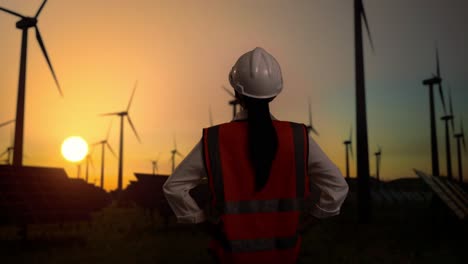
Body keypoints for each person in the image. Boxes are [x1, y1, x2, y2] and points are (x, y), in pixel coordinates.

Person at [163, 47, 349, 264]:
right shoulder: (298, 138)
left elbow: (173, 187)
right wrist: (307, 224)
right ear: (275, 93)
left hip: (231, 256)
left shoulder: (215, 140)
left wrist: (207, 226)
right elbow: (338, 188)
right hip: (284, 256)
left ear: (237, 92)